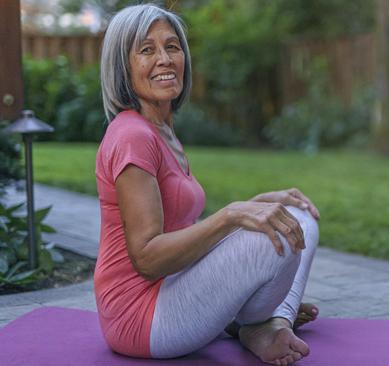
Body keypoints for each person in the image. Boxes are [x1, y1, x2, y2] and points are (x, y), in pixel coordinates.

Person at [94, 4, 320, 365]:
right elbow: (148, 258)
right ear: (123, 67)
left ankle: (268, 320)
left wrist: (253, 205)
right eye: (147, 50)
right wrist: (231, 216)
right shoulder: (132, 135)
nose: (165, 59)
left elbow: (181, 230)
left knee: (298, 216)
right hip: (142, 317)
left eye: (172, 46)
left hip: (174, 289)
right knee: (278, 232)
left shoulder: (160, 130)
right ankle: (261, 322)